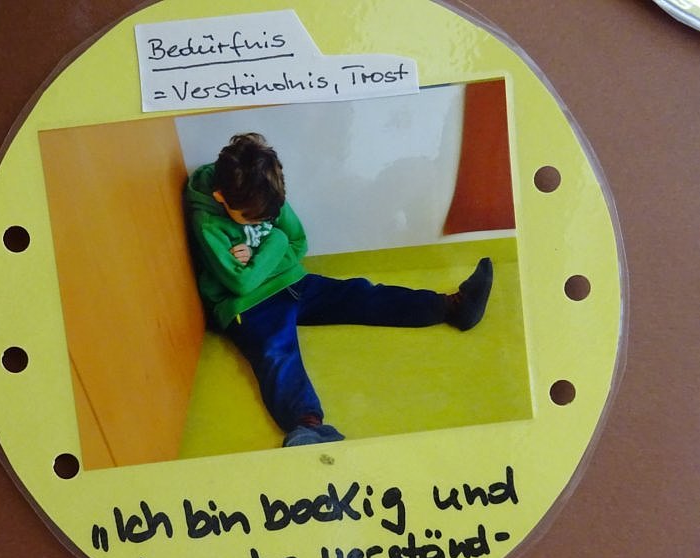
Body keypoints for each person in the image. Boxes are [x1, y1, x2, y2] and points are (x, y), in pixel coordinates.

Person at [184, 133, 493, 447]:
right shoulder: (208, 222)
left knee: (360, 294)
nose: (263, 222)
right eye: (252, 220)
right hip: (248, 306)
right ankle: (307, 427)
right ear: (221, 197)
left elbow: (298, 242)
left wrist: (261, 255)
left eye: (269, 218)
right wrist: (275, 241)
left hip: (292, 282)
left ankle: (453, 307)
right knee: (276, 353)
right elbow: (240, 283)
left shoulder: (264, 190)